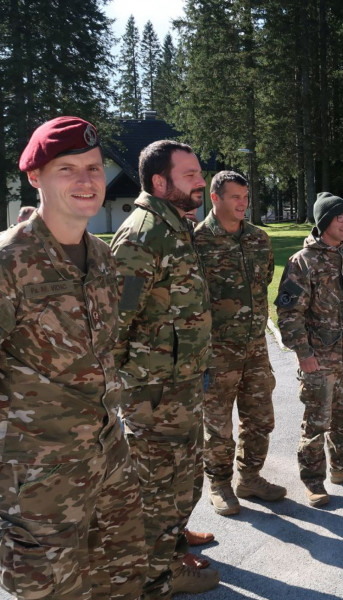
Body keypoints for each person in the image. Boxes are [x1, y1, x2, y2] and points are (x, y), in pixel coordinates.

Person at [0, 116, 147, 599]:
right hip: (40, 480)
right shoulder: (9, 262)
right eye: (68, 169)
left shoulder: (104, 259)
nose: (87, 180)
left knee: (122, 576)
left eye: (93, 167)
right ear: (35, 177)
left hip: (108, 457)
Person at [110, 140, 217, 597]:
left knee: (185, 477)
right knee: (156, 490)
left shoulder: (174, 226)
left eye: (199, 173)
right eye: (190, 174)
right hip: (154, 394)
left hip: (181, 384)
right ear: (159, 182)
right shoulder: (143, 233)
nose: (201, 181)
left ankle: (173, 543)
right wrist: (135, 387)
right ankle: (158, 578)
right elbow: (113, 324)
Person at [194, 171, 285, 516]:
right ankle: (219, 483)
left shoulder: (259, 239)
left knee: (260, 418)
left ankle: (250, 477)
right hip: (216, 351)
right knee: (217, 425)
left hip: (256, 347)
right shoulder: (197, 242)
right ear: (214, 198)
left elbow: (265, 280)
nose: (242, 203)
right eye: (235, 197)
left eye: (246, 197)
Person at [275, 192, 343, 508]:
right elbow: (289, 313)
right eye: (340, 217)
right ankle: (313, 480)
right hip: (318, 360)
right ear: (324, 222)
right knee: (316, 422)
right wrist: (303, 353)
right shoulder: (302, 262)